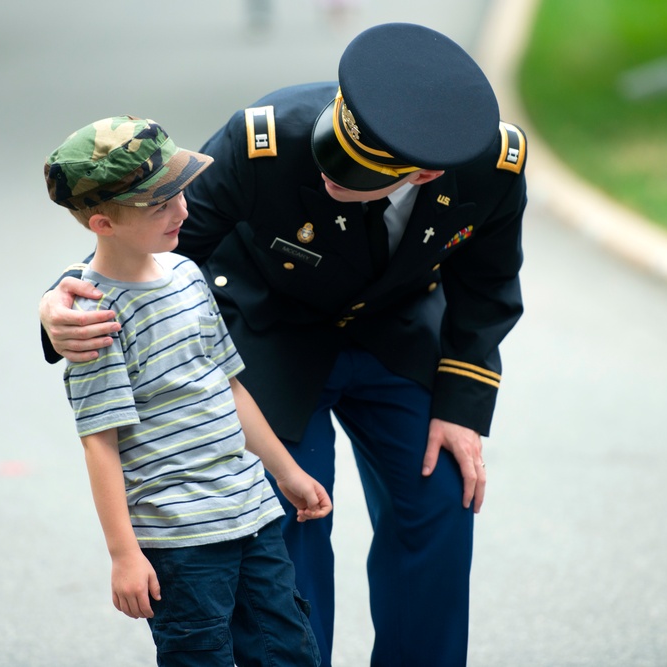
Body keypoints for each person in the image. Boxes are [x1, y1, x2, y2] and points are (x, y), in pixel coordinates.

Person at [41, 23, 528, 667]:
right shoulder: (265, 137)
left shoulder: (489, 166)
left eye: (353, 175)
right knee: (290, 520)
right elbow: (147, 242)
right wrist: (64, 300)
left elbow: (488, 284)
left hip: (398, 337)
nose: (329, 175)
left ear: (425, 172)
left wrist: (462, 408)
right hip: (271, 334)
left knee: (440, 505)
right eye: (332, 151)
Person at [44, 115, 332, 667]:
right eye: (159, 205)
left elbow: (229, 388)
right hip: (181, 540)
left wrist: (287, 474)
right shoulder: (95, 318)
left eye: (180, 193)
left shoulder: (187, 273)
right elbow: (99, 443)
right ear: (102, 223)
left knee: (288, 650)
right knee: (201, 657)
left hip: (252, 510)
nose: (183, 211)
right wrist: (124, 554)